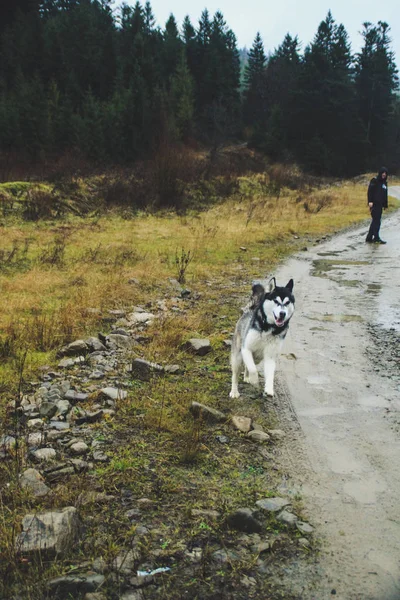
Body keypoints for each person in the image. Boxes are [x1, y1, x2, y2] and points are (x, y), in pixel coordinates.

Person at [366, 167, 388, 244]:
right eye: (383, 173)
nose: (384, 174)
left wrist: (385, 204)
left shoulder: (384, 183)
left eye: (385, 173)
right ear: (380, 173)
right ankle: (376, 237)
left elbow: (385, 194)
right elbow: (370, 192)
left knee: (375, 221)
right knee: (377, 221)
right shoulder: (374, 180)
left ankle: (369, 237)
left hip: (380, 204)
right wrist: (370, 201)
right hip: (374, 204)